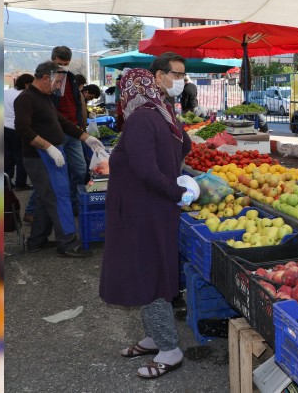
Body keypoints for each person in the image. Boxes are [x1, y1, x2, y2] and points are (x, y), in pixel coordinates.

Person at [99, 54, 197, 380]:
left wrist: (173, 189)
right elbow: (185, 146)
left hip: (143, 209)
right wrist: (173, 181)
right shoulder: (164, 113)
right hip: (156, 208)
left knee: (148, 275)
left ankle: (169, 349)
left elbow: (143, 169)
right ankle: (154, 337)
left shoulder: (141, 118)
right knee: (151, 270)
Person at [14, 61, 105, 257]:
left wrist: (86, 138)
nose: (57, 87)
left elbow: (61, 122)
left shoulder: (45, 98)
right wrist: (48, 147)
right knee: (58, 197)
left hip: (52, 153)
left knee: (45, 197)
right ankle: (68, 243)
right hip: (39, 156)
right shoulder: (26, 99)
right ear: (45, 78)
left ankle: (36, 240)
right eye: (56, 82)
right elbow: (22, 128)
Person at [49, 46, 89, 216]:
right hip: (56, 131)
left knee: (80, 170)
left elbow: (77, 103)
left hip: (74, 130)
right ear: (52, 60)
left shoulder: (71, 77)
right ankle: (39, 210)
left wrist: (80, 123)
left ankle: (74, 204)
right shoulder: (46, 77)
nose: (62, 67)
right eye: (59, 63)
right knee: (54, 174)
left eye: (66, 64)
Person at [5, 74, 35, 191]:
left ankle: (6, 182)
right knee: (21, 157)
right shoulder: (23, 96)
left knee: (8, 156)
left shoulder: (6, 93)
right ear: (26, 84)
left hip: (4, 127)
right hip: (17, 129)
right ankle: (20, 183)